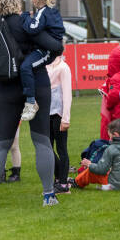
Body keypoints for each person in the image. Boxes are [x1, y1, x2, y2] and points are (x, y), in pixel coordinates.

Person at [0, 0, 62, 210]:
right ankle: (48, 195)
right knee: (42, 140)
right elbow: (55, 46)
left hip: (5, 87)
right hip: (36, 84)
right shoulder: (23, 22)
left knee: (1, 143)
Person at [20, 0, 65, 122]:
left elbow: (33, 28)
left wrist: (26, 17)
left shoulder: (43, 12)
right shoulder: (51, 11)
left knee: (25, 67)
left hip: (45, 51)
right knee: (27, 66)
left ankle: (31, 102)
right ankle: (31, 100)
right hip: (45, 48)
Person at [80, 119, 120, 190]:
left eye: (110, 137)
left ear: (116, 135)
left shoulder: (111, 149)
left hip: (116, 185)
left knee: (89, 172)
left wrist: (89, 164)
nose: (109, 140)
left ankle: (75, 182)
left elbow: (101, 170)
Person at [47, 55, 72, 193]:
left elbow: (67, 94)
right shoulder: (44, 66)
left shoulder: (63, 67)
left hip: (59, 114)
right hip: (46, 114)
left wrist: (66, 118)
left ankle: (63, 183)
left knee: (61, 149)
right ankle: (57, 177)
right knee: (48, 149)